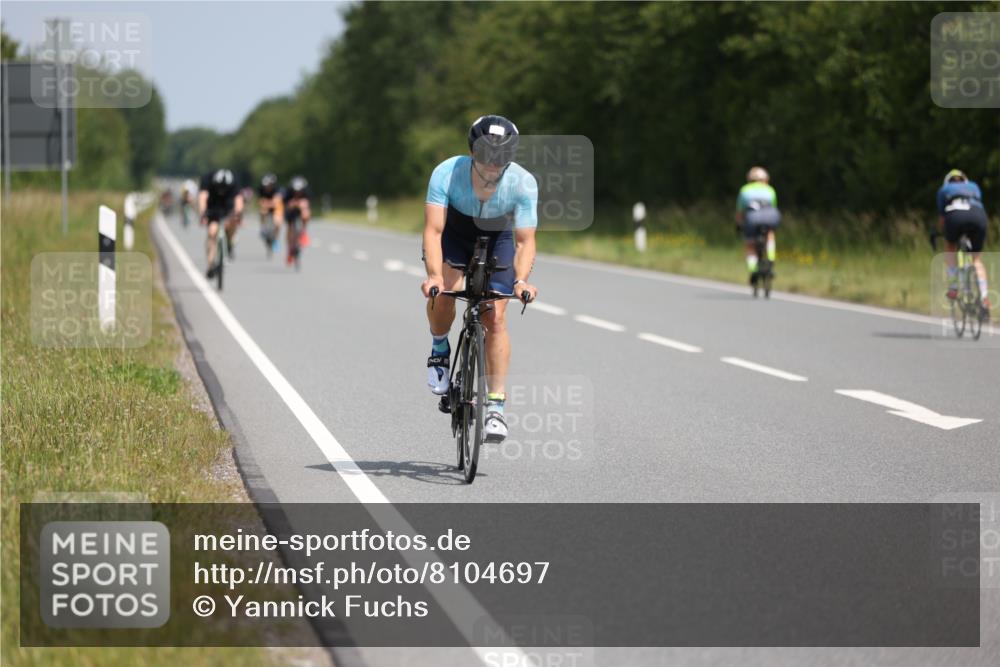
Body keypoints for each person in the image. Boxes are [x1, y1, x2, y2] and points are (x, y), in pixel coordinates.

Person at [420, 114, 539, 443]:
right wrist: (433, 275)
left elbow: (526, 241)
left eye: (500, 159)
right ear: (473, 152)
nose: (491, 165)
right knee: (443, 292)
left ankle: (496, 407)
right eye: (485, 156)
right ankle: (439, 348)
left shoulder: (522, 183)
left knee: (496, 316)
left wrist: (521, 281)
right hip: (455, 233)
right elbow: (433, 229)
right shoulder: (447, 172)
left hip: (497, 234)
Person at [938, 168, 990, 318]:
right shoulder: (973, 186)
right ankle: (984, 298)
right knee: (976, 259)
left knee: (950, 247)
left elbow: (942, 218)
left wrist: (945, 234)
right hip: (978, 217)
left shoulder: (944, 190)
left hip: (955, 217)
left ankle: (954, 286)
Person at [735, 166, 781, 286]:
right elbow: (774, 207)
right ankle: (770, 260)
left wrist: (739, 226)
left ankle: (753, 270)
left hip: (752, 218)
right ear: (765, 179)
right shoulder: (770, 189)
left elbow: (740, 212)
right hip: (771, 216)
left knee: (750, 245)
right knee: (770, 235)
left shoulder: (744, 189)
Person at [198, 169, 243, 277]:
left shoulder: (233, 182)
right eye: (219, 187)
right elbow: (202, 197)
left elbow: (238, 200)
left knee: (233, 221)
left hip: (228, 205)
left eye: (224, 188)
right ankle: (210, 265)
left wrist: (238, 214)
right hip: (213, 206)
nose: (221, 190)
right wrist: (203, 213)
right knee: (212, 233)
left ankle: (230, 242)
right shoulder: (207, 179)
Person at [282, 176, 311, 266]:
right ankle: (290, 250)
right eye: (296, 191)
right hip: (291, 213)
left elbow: (307, 203)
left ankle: (303, 232)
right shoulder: (288, 193)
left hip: (301, 211)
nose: (297, 192)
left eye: (299, 191)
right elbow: (286, 205)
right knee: (290, 230)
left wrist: (301, 205)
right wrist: (292, 204)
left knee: (305, 211)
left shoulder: (306, 192)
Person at [258, 173, 283, 254]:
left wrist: (267, 203)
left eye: (268, 185)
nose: (267, 187)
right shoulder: (261, 189)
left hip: (276, 208)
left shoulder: (278, 189)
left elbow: (277, 202)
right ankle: (263, 227)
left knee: (277, 222)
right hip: (266, 207)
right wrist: (266, 204)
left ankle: (275, 239)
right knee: (262, 211)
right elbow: (261, 202)